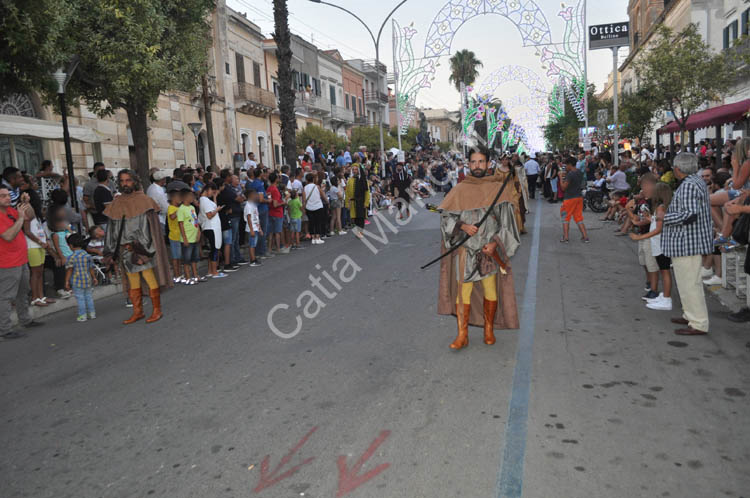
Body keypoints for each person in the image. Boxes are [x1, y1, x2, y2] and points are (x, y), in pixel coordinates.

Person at [437, 147, 521, 350]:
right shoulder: (458, 190)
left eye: (481, 162)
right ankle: (462, 334)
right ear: (468, 164)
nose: (477, 166)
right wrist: (462, 226)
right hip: (466, 250)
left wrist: (495, 244)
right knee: (462, 293)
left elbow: (509, 224)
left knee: (490, 290)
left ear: (488, 164)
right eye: (473, 162)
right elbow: (446, 216)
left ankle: (489, 328)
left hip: (488, 252)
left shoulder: (497, 189)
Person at [103, 169, 172, 324]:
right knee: (132, 279)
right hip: (124, 250)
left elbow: (148, 229)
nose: (125, 183)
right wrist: (109, 252)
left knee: (149, 276)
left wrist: (143, 251)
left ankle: (157, 310)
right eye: (122, 181)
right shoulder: (116, 203)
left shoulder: (145, 201)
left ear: (134, 181)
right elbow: (112, 230)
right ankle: (138, 311)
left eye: (128, 180)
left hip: (142, 249)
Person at [661, 153, 713, 336]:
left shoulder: (690, 184)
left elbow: (690, 214)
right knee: (686, 282)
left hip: (687, 242)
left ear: (677, 168)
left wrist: (664, 217)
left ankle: (698, 322)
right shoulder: (694, 182)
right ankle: (690, 315)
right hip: (687, 241)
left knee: (690, 283)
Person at [0, 187, 41, 339]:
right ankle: (4, 329)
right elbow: (9, 236)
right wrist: (20, 219)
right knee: (6, 296)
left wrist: (26, 203)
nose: (7, 198)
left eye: (7, 195)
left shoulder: (11, 211)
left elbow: (30, 215)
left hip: (21, 259)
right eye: (2, 196)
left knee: (23, 292)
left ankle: (25, 319)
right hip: (6, 262)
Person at [630, 182, 673, 311]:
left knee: (665, 271)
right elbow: (657, 222)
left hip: (660, 243)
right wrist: (650, 218)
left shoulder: (661, 207)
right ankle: (665, 296)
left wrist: (639, 237)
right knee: (663, 270)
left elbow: (658, 229)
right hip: (658, 243)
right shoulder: (662, 207)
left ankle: (666, 298)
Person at [64, 233, 98, 322]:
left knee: (80, 299)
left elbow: (69, 270)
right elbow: (91, 268)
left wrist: (67, 281)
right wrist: (94, 277)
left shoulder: (71, 257)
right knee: (89, 297)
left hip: (76, 281)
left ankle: (82, 316)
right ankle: (92, 313)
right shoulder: (87, 256)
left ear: (71, 245)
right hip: (87, 280)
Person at [559, 157, 589, 243]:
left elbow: (563, 187)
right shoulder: (579, 172)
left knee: (565, 218)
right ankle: (585, 236)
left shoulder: (570, 174)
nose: (565, 167)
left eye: (566, 165)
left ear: (569, 164)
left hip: (569, 198)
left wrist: (561, 177)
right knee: (578, 217)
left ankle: (566, 237)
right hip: (578, 197)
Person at [199, 182, 226, 279]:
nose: (212, 194)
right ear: (208, 189)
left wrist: (215, 198)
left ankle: (211, 271)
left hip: (211, 227)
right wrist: (217, 210)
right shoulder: (204, 200)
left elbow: (213, 207)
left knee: (213, 249)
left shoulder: (205, 200)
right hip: (211, 227)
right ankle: (214, 271)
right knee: (214, 249)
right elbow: (209, 215)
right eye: (212, 192)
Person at [177, 188, 202, 284]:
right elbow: (181, 224)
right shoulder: (181, 209)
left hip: (195, 236)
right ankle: (188, 277)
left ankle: (196, 275)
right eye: (190, 196)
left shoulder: (192, 208)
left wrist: (199, 232)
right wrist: (185, 238)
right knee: (186, 259)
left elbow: (195, 220)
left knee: (194, 258)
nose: (192, 198)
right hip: (187, 238)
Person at [345, 164, 370, 238]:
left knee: (361, 217)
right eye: (353, 170)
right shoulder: (350, 180)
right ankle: (358, 231)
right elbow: (347, 193)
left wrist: (366, 202)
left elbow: (367, 192)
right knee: (355, 218)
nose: (354, 171)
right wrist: (347, 203)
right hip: (353, 202)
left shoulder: (363, 180)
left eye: (356, 169)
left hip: (361, 201)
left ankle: (360, 232)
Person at [267, 172, 288, 253]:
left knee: (271, 232)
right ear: (276, 179)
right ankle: (278, 248)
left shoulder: (269, 188)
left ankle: (269, 248)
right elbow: (275, 204)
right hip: (277, 212)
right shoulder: (275, 190)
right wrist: (283, 202)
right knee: (277, 232)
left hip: (270, 212)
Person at [304, 172, 327, 244]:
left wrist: (303, 208)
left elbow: (304, 200)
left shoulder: (305, 188)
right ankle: (318, 237)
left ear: (306, 180)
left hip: (309, 207)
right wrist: (327, 201)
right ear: (313, 179)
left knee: (311, 222)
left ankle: (313, 238)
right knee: (318, 222)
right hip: (318, 206)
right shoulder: (317, 187)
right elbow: (323, 195)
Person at [244, 188, 262, 266]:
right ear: (250, 195)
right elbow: (248, 218)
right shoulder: (248, 205)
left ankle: (253, 258)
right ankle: (252, 260)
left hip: (256, 227)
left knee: (254, 244)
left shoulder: (253, 205)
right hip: (252, 228)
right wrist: (251, 230)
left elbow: (257, 217)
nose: (256, 196)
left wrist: (260, 228)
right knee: (252, 244)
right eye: (254, 195)